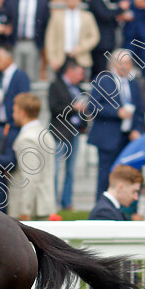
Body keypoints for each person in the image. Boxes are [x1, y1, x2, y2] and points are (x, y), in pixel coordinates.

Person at [87, 49, 145, 201]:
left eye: (129, 63)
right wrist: (116, 112)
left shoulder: (133, 83)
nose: (127, 66)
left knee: (129, 175)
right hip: (109, 137)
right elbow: (92, 106)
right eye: (123, 63)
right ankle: (101, 209)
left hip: (128, 138)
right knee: (106, 176)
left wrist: (137, 129)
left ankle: (126, 209)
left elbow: (140, 110)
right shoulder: (103, 80)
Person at [8, 92, 55, 220]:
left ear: (22, 113)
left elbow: (30, 176)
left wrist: (25, 209)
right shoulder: (45, 133)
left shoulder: (26, 138)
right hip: (42, 203)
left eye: (15, 111)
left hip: (31, 208)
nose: (13, 115)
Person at [49, 59, 86, 211]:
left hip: (74, 133)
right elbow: (54, 108)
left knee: (70, 170)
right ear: (70, 72)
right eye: (79, 73)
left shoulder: (79, 88)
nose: (81, 77)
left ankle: (66, 201)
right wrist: (73, 108)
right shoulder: (56, 86)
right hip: (60, 133)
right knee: (56, 170)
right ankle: (52, 201)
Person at [4, 0, 49, 82]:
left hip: (33, 42)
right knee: (15, 75)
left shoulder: (42, 1)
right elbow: (6, 18)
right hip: (16, 42)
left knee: (31, 75)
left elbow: (46, 23)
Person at [44, 0, 100, 72]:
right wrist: (52, 58)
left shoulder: (87, 16)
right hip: (61, 58)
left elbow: (94, 36)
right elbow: (50, 38)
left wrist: (82, 47)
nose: (70, 1)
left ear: (79, 0)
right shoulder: (56, 16)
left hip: (81, 57)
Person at [88, 0, 123, 79]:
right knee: (99, 72)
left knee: (102, 71)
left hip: (105, 43)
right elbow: (104, 15)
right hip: (101, 43)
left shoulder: (104, 0)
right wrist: (120, 9)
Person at [0, 44, 30, 131]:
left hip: (13, 126)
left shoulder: (21, 76)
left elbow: (23, 100)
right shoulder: (1, 76)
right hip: (0, 124)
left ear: (8, 58)